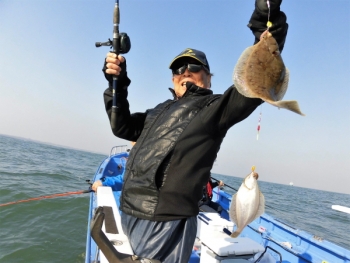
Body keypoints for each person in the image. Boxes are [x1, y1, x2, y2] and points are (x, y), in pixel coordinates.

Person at [102, 1, 288, 262]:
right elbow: (120, 126)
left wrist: (266, 21)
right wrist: (117, 85)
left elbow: (257, 83)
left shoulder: (214, 108)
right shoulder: (158, 111)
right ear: (172, 78)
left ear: (209, 77)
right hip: (129, 210)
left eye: (195, 67)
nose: (185, 72)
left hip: (166, 222)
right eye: (179, 68)